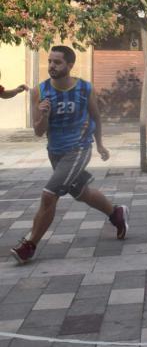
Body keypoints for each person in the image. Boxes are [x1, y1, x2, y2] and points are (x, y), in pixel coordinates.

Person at [10, 46, 128, 264]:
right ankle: (116, 213)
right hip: (55, 152)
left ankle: (29, 244)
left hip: (79, 149)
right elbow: (38, 132)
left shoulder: (84, 88)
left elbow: (96, 117)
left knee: (49, 195)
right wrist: (44, 114)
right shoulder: (40, 91)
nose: (52, 66)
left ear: (70, 65)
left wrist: (100, 145)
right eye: (50, 61)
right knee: (81, 193)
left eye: (57, 62)